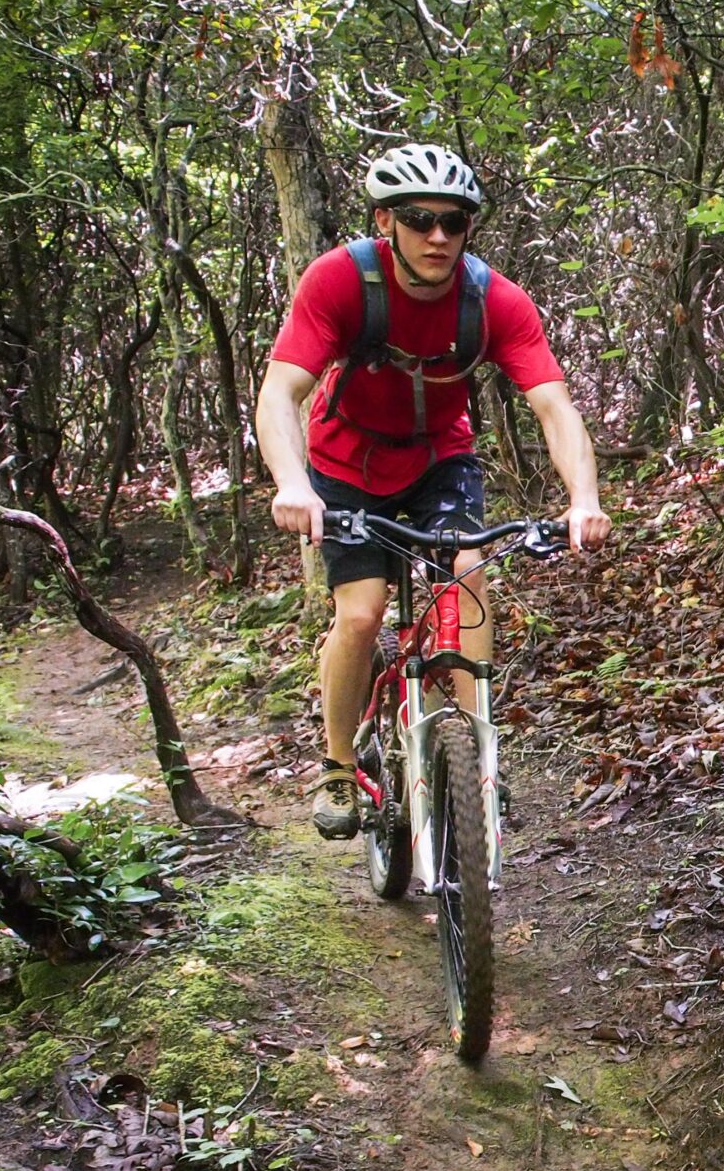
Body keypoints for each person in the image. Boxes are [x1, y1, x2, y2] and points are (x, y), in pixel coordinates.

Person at [255, 141, 610, 839]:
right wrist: (293, 484)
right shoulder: (339, 282)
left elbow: (553, 405)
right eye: (420, 218)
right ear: (386, 221)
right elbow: (280, 392)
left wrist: (584, 500)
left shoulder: (492, 299)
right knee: (361, 615)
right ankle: (336, 765)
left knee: (468, 575)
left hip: (438, 460)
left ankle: (478, 754)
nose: (439, 235)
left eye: (455, 220)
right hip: (343, 463)